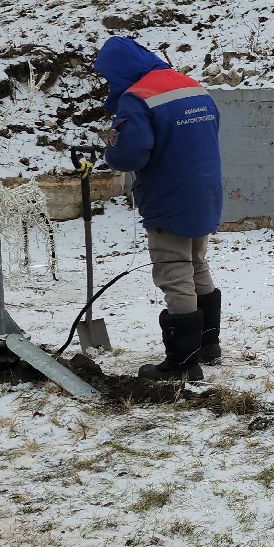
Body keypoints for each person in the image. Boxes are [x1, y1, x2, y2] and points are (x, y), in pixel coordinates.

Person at [96, 37, 223, 382]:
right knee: (196, 262)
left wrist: (111, 149)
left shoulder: (136, 99)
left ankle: (183, 362)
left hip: (169, 194)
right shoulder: (192, 87)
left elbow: (131, 155)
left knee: (174, 269)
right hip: (205, 189)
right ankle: (208, 345)